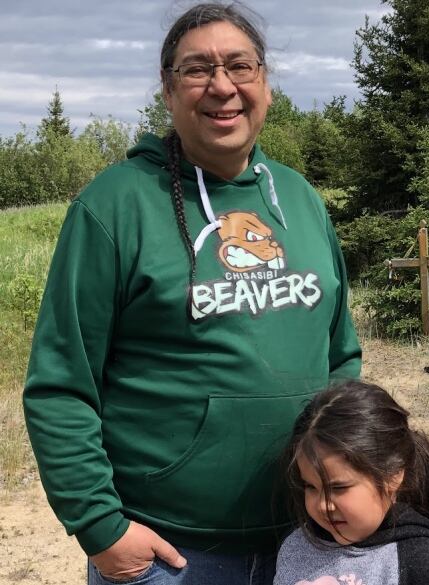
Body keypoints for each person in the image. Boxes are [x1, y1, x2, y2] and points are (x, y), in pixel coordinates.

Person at [23, 3, 361, 584]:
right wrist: (101, 527)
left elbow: (342, 357)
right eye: (198, 69)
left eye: (240, 66)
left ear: (266, 85)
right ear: (168, 89)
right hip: (168, 555)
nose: (222, 86)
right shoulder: (115, 206)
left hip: (307, 544)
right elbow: (60, 384)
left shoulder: (300, 200)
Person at [273, 381, 429, 585]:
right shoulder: (296, 548)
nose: (323, 505)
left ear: (393, 476)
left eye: (338, 487)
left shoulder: (422, 563)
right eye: (310, 487)